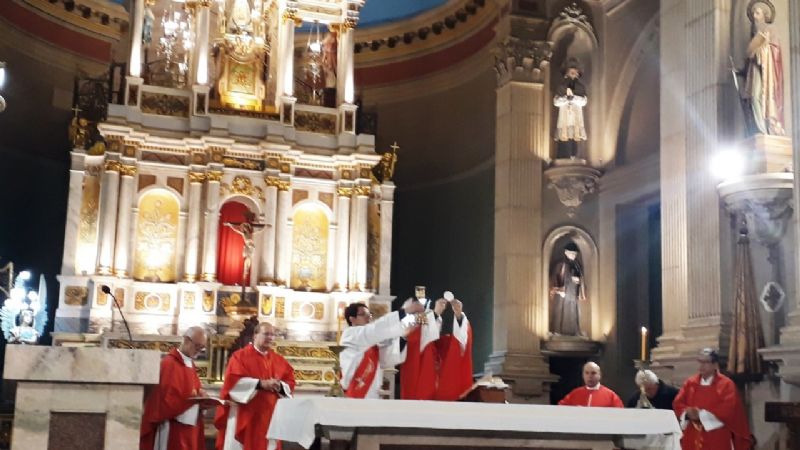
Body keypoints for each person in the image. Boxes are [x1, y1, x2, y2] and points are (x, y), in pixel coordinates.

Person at [215, 322, 295, 450]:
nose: (270, 337)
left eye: (273, 335)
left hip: (269, 416)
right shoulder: (239, 356)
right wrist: (260, 384)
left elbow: (290, 382)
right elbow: (232, 383)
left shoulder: (278, 360)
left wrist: (279, 386)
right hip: (245, 414)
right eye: (266, 334)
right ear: (255, 335)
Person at [140, 326, 208, 450]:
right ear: (187, 340)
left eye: (202, 348)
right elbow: (165, 402)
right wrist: (194, 403)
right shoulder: (169, 364)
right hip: (172, 428)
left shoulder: (190, 364)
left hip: (189, 428)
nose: (199, 350)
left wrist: (202, 398)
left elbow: (192, 392)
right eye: (197, 346)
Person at [673, 348, 754, 450]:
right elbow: (678, 402)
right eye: (700, 362)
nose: (701, 366)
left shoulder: (726, 384)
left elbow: (729, 409)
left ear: (715, 365)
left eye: (706, 362)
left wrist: (700, 415)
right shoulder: (690, 383)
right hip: (692, 433)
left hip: (716, 434)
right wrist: (687, 413)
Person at [340, 300, 422, 398]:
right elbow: (377, 329)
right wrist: (406, 311)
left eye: (369, 314)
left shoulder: (369, 342)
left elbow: (386, 357)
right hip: (357, 389)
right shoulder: (350, 334)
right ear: (352, 319)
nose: (368, 317)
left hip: (372, 391)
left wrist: (404, 337)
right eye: (363, 314)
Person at [742, 1, 784, 136]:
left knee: (761, 97)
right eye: (753, 13)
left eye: (757, 13)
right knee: (753, 97)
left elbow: (775, 50)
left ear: (765, 15)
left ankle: (765, 128)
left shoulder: (771, 29)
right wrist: (740, 70)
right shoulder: (753, 36)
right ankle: (757, 128)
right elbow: (748, 60)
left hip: (767, 71)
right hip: (754, 69)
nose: (754, 16)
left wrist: (762, 51)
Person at [399, 289, 447, 400]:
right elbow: (416, 325)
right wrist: (435, 314)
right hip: (413, 361)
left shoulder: (425, 316)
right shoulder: (408, 316)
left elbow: (431, 328)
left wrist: (434, 314)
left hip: (428, 361)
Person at [433, 297, 473, 401]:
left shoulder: (446, 343)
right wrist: (435, 313)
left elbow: (461, 341)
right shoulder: (418, 322)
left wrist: (459, 315)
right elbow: (417, 330)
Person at [549, 242, 585, 336]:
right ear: (566, 252)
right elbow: (555, 276)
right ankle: (558, 330)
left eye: (575, 254)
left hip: (573, 292)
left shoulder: (577, 265)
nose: (573, 255)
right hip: (563, 292)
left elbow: (580, 277)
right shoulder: (561, 264)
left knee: (573, 311)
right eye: (572, 253)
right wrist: (559, 289)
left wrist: (578, 280)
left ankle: (573, 331)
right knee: (561, 311)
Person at [553, 60, 587, 159]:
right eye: (571, 71)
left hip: (576, 116)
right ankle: (564, 155)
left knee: (575, 137)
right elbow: (556, 102)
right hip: (565, 117)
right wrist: (565, 99)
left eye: (575, 72)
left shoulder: (580, 87)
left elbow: (584, 101)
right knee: (564, 137)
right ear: (566, 73)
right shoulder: (562, 87)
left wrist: (574, 98)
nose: (573, 73)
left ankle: (574, 155)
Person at [558, 362, 623, 407]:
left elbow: (619, 414)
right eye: (587, 373)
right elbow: (560, 409)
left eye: (593, 373)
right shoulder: (574, 394)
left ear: (599, 375)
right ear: (583, 375)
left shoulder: (611, 396)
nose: (590, 376)